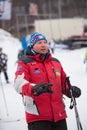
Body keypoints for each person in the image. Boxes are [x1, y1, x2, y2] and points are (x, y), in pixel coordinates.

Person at [14, 32, 81, 130]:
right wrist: (33, 88)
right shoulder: (25, 62)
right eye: (39, 43)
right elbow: (18, 83)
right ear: (32, 45)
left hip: (59, 116)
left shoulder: (55, 62)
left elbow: (63, 83)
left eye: (45, 42)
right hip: (38, 117)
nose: (43, 45)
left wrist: (70, 90)